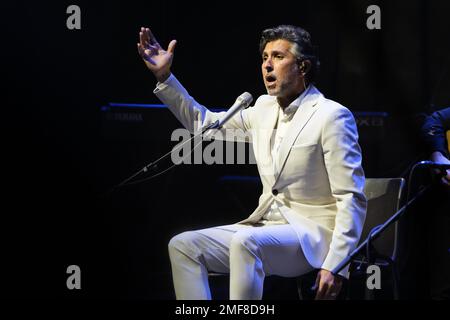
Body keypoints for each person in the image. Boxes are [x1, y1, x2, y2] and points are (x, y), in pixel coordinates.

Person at [137, 25, 367, 300]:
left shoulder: (332, 116)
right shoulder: (262, 108)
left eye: (278, 57)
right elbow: (204, 124)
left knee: (245, 242)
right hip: (264, 228)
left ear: (303, 67)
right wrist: (165, 76)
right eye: (264, 57)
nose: (267, 65)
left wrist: (336, 265)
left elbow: (351, 197)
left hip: (312, 238)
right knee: (183, 246)